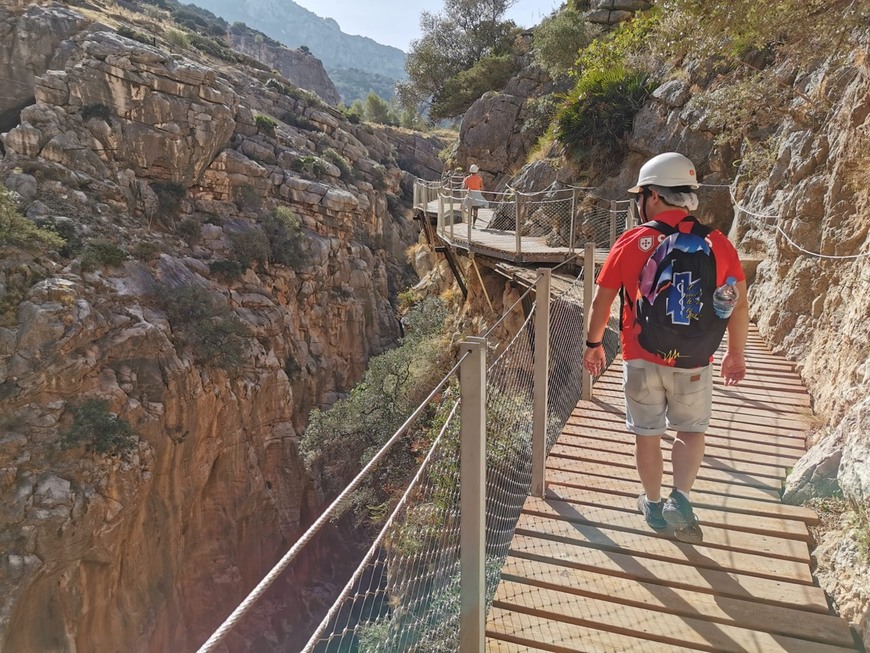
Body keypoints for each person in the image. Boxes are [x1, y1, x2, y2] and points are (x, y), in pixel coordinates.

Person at [582, 152, 749, 543]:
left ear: (653, 196)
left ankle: (653, 506)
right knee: (690, 432)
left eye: (641, 195)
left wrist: (593, 345)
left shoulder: (632, 241)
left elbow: (601, 302)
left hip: (641, 356)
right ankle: (681, 497)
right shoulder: (717, 242)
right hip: (695, 359)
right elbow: (738, 303)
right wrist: (736, 354)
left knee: (647, 434)